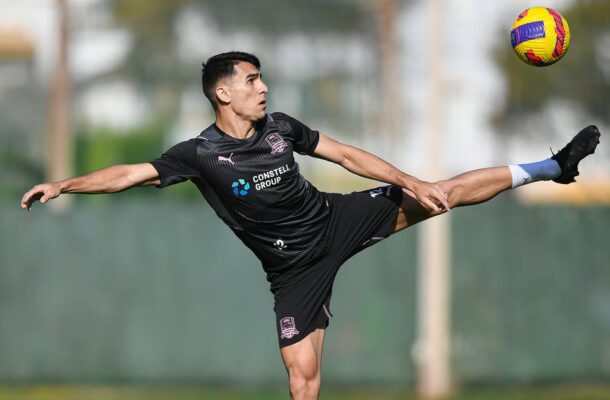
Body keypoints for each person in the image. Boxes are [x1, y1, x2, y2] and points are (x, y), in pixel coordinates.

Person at [21, 51, 600, 400]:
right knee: (303, 382)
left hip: (336, 219)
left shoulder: (281, 127)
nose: (262, 87)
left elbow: (346, 155)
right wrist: (64, 184)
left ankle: (552, 166)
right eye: (251, 80)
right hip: (292, 270)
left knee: (444, 192)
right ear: (223, 92)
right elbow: (128, 174)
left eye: (261, 79)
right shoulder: (197, 154)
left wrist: (412, 182)